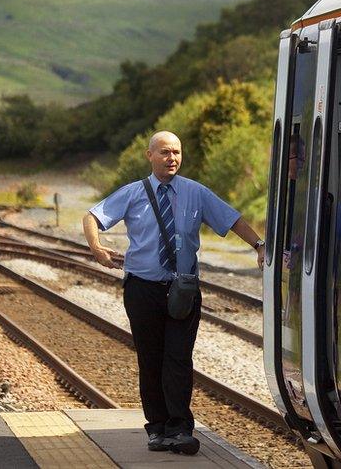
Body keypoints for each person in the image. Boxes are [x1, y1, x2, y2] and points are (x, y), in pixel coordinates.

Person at [82, 130, 265, 456]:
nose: (172, 158)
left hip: (182, 290)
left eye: (177, 152)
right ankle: (157, 429)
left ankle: (180, 429)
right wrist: (97, 248)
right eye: (165, 152)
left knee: (178, 359)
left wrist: (259, 245)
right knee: (151, 360)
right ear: (149, 156)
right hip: (142, 289)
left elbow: (232, 218)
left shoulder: (196, 192)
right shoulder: (134, 193)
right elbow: (93, 216)